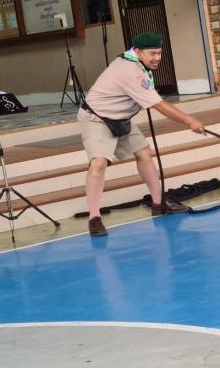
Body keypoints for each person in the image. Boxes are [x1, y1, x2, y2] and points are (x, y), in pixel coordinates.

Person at [78, 32, 205, 237]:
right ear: (137, 52)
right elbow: (158, 105)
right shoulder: (130, 70)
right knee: (99, 163)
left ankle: (158, 204)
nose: (157, 58)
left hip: (120, 118)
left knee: (144, 153)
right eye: (152, 53)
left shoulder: (137, 63)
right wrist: (189, 121)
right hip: (97, 118)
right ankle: (94, 218)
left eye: (159, 53)